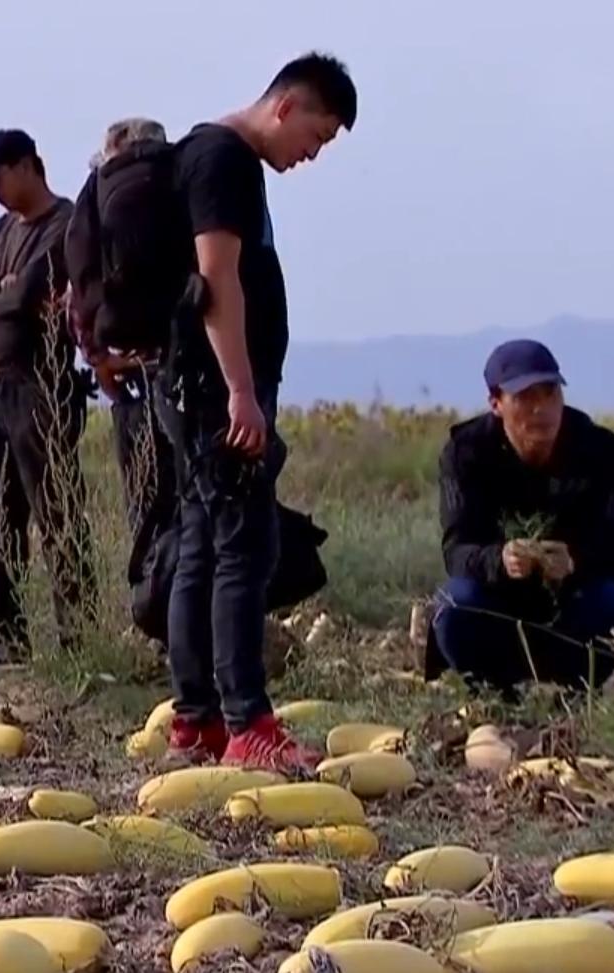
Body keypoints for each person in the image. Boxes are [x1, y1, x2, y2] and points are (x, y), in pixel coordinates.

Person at [155, 54, 358, 771]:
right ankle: (247, 724)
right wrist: (241, 389)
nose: (312, 155)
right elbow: (217, 281)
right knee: (243, 549)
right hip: (216, 391)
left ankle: (198, 721)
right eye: (316, 136)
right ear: (286, 107)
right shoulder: (225, 160)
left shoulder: (208, 153)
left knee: (203, 545)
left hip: (195, 387)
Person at [0, 129, 98, 664]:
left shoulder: (65, 224)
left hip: (40, 384)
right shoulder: (3, 228)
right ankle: (4, 638)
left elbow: (27, 294)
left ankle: (79, 639)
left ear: (28, 166)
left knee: (58, 514)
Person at [431, 340, 614, 694]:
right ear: (496, 403)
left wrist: (573, 560)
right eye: (524, 397)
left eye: (550, 393)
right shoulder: (465, 453)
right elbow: (456, 551)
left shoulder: (600, 449)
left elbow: (610, 545)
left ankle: (575, 693)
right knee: (454, 604)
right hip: (496, 603)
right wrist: (501, 559)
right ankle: (492, 693)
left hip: (571, 603)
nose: (541, 408)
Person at [75, 118, 180, 615]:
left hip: (127, 376)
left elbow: (78, 286)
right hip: (180, 369)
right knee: (186, 504)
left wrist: (99, 358)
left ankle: (152, 609)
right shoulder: (180, 186)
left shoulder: (96, 196)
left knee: (144, 505)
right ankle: (182, 621)